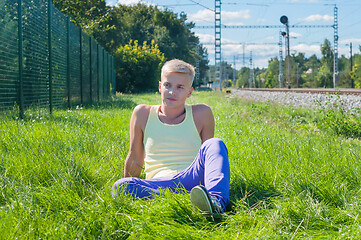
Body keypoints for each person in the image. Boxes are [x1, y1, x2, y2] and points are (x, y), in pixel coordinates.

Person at [112, 59, 230, 215]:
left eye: (180, 87)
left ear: (189, 92)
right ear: (160, 87)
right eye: (168, 85)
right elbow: (135, 156)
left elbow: (209, 159)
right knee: (121, 186)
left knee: (215, 143)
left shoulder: (202, 113)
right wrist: (131, 184)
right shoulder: (142, 113)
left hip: (192, 177)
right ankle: (190, 202)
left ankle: (216, 203)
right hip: (158, 183)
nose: (172, 92)